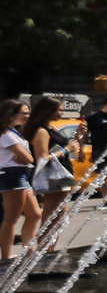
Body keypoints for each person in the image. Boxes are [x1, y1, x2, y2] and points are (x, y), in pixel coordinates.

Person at [25, 97, 76, 232]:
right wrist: (66, 150)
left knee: (59, 218)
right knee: (50, 218)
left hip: (61, 174)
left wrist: (79, 135)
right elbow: (42, 158)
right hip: (52, 176)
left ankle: (50, 250)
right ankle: (43, 250)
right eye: (59, 110)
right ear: (48, 111)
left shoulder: (50, 127)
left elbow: (65, 145)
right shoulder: (41, 131)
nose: (62, 113)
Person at [0, 100, 41, 263]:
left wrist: (26, 159)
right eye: (25, 113)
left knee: (35, 214)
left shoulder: (13, 132)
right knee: (11, 218)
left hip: (20, 175)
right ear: (11, 114)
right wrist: (26, 158)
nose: (28, 116)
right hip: (12, 175)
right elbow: (29, 158)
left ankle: (29, 252)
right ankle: (6, 257)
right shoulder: (5, 134)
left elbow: (26, 158)